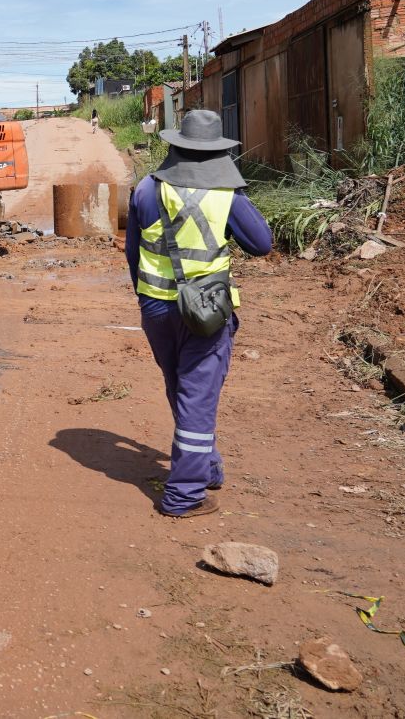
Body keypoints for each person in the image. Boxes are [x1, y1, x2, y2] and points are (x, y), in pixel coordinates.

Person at [124, 109, 272, 518]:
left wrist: (147, 300)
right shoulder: (227, 196)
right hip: (206, 310)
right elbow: (262, 244)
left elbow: (133, 253)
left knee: (183, 389)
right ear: (217, 153)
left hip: (155, 308)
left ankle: (205, 467)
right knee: (197, 394)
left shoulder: (146, 190)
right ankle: (184, 495)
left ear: (176, 147)